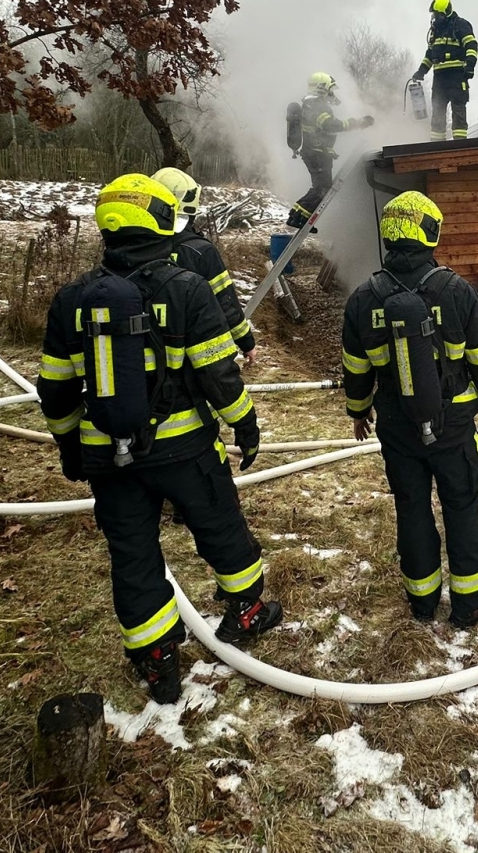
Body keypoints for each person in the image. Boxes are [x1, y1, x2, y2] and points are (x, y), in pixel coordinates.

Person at [36, 174, 282, 705]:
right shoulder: (184, 288)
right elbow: (218, 371)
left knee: (132, 553)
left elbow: (54, 389)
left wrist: (70, 447)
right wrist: (245, 422)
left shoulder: (73, 299)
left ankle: (156, 659)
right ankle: (246, 611)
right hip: (186, 447)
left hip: (107, 456)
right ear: (162, 225)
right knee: (219, 525)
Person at [339, 191, 478, 626]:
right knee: (461, 505)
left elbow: (356, 369)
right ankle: (472, 601)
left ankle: (423, 600)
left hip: (397, 427)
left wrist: (358, 411)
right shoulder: (457, 293)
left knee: (411, 506)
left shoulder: (363, 298)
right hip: (452, 426)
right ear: (431, 233)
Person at [150, 167, 255, 363]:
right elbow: (225, 301)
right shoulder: (200, 251)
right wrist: (246, 343)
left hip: (144, 356)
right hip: (194, 357)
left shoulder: (137, 246)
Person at [287, 72, 373, 229]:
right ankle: (300, 218)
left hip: (315, 152)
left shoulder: (310, 104)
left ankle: (297, 216)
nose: (332, 95)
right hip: (317, 153)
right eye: (330, 90)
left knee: (319, 188)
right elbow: (330, 125)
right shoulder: (317, 105)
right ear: (322, 89)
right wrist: (358, 123)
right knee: (322, 189)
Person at [410, 0, 478, 140]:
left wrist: (470, 66)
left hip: (457, 76)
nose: (435, 18)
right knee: (437, 112)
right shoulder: (436, 31)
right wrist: (421, 71)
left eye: (437, 14)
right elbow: (430, 54)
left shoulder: (461, 25)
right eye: (433, 15)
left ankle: (459, 146)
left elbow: (471, 46)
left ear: (445, 13)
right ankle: (437, 146)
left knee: (458, 110)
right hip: (440, 78)